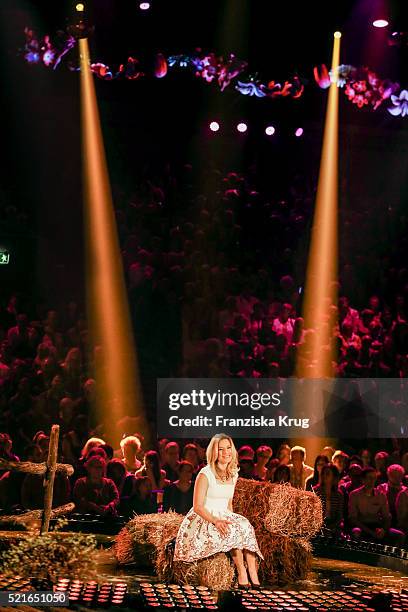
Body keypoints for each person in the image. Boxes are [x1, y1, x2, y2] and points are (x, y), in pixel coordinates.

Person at [174, 434, 264, 589]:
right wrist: (216, 521)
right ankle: (242, 571)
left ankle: (253, 573)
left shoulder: (233, 473)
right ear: (214, 452)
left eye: (228, 448)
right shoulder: (205, 473)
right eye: (221, 449)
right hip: (205, 518)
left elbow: (228, 503)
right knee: (232, 530)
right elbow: (198, 507)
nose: (226, 452)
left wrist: (233, 519)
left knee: (245, 526)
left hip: (224, 514)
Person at [348, 467, 404, 545]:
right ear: (363, 479)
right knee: (356, 532)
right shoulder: (354, 495)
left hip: (376, 526)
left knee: (399, 535)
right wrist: (371, 532)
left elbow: (387, 517)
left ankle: (390, 556)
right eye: (369, 478)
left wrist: (383, 530)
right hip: (361, 526)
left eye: (374, 478)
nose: (372, 481)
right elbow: (353, 518)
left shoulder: (381, 495)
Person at [314, 464, 344, 534]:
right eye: (323, 474)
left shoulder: (339, 494)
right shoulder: (315, 491)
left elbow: (339, 515)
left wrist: (332, 527)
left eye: (327, 474)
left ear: (334, 477)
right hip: (318, 526)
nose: (324, 476)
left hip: (333, 526)